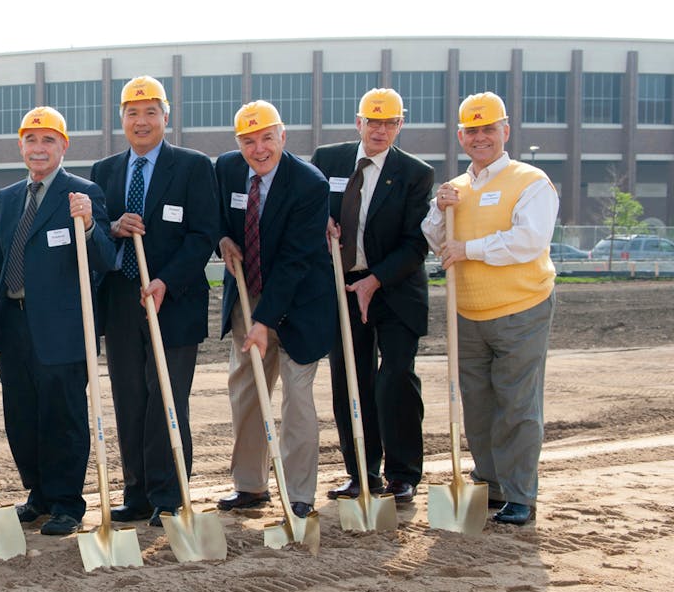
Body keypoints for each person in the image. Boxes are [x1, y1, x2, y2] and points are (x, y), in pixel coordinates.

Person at [89, 77, 221, 527]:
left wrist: (166, 280)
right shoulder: (104, 171)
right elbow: (94, 230)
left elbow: (203, 235)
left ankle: (170, 492)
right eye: (132, 113)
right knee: (129, 398)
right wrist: (111, 228)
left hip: (173, 299)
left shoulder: (192, 167)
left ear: (167, 117)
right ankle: (138, 492)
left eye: (150, 112)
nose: (141, 121)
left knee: (166, 396)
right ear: (121, 119)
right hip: (123, 299)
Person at [422, 92, 557, 526]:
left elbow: (529, 241)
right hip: (468, 313)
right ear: (461, 136)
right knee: (477, 406)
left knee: (517, 404)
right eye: (472, 131)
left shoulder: (530, 180)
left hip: (521, 307)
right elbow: (434, 238)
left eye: (488, 129)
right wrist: (441, 213)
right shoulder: (456, 189)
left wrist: (470, 249)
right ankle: (490, 486)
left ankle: (520, 495)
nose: (481, 138)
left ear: (505, 131)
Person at [0, 106, 114, 537]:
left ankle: (66, 502)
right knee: (21, 417)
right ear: (21, 146)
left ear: (64, 146)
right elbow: (1, 261)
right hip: (14, 324)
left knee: (62, 417)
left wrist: (86, 227)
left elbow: (105, 258)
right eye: (31, 140)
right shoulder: (8, 198)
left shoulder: (82, 193)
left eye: (48, 140)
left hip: (62, 329)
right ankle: (38, 494)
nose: (39, 148)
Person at [310, 88, 433, 506]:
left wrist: (374, 280)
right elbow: (308, 208)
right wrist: (320, 220)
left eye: (390, 122)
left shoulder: (416, 173)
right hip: (342, 287)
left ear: (401, 124)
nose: (380, 130)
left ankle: (402, 474)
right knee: (349, 380)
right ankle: (361, 471)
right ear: (358, 122)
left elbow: (416, 244)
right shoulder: (328, 161)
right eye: (373, 121)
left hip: (395, 289)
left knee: (394, 376)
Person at [215, 100, 335, 518]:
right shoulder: (227, 169)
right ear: (238, 143)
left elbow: (295, 261)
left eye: (267, 138)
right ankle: (250, 485)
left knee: (296, 399)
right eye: (249, 140)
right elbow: (216, 216)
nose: (259, 148)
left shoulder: (309, 184)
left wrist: (265, 322)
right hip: (245, 298)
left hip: (300, 304)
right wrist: (221, 240)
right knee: (247, 392)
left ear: (283, 136)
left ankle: (299, 493)